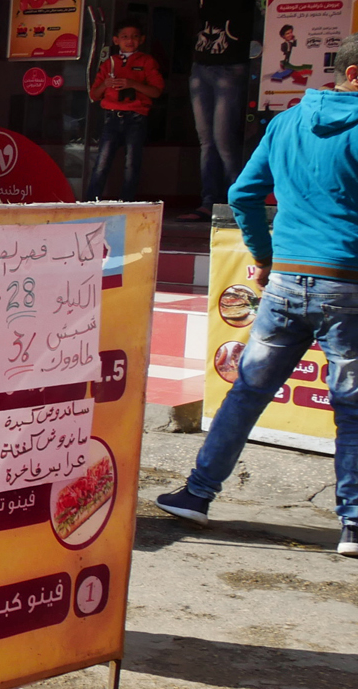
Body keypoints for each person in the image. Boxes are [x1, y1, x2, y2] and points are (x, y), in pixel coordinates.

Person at [156, 35, 358, 558]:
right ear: (353, 74)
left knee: (246, 393)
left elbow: (243, 193)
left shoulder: (287, 121)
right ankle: (353, 524)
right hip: (348, 286)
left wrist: (266, 258)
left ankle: (197, 495)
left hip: (286, 282)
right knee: (352, 407)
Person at [181, 0, 256, 220]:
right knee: (207, 140)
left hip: (231, 65)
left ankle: (237, 203)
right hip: (201, 65)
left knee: (223, 139)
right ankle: (209, 202)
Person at [85, 18, 163, 201]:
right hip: (111, 118)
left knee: (132, 164)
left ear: (142, 39)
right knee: (102, 163)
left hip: (136, 118)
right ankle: (90, 202)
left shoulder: (147, 61)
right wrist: (105, 84)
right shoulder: (109, 63)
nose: (130, 40)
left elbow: (156, 91)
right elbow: (94, 95)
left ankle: (127, 203)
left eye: (135, 37)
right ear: (115, 40)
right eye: (125, 37)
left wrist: (132, 84)